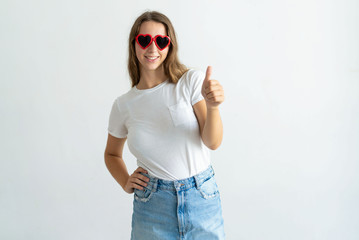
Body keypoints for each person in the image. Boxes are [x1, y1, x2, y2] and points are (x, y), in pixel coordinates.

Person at [104, 10, 225, 240]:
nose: (152, 48)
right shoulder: (123, 105)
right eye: (144, 40)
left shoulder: (189, 82)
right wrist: (125, 181)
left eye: (161, 41)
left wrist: (213, 107)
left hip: (201, 198)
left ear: (169, 46)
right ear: (134, 44)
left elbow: (213, 142)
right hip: (153, 207)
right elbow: (111, 154)